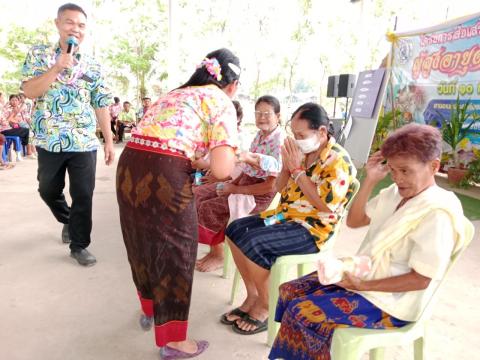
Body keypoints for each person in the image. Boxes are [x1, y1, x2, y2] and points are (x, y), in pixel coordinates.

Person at [269, 123, 469, 360]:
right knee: (289, 290)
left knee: (302, 312)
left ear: (434, 167)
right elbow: (354, 221)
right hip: (366, 277)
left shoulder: (437, 213)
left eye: (405, 171)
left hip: (393, 302)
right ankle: (307, 353)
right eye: (393, 170)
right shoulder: (395, 193)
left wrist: (362, 286)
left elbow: (421, 279)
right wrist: (371, 181)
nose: (398, 178)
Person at [116, 48, 241, 358]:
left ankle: (150, 309)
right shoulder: (220, 100)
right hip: (165, 173)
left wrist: (198, 160)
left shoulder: (174, 94)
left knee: (140, 238)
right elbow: (223, 170)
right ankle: (173, 340)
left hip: (130, 163)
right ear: (233, 85)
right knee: (177, 249)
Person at [223, 102, 357, 335]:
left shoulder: (338, 160)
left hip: (313, 228)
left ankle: (266, 305)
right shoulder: (301, 152)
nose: (297, 139)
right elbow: (279, 188)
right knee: (235, 230)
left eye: (301, 135)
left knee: (254, 242)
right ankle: (253, 296)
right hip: (284, 217)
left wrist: (297, 171)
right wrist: (287, 167)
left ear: (322, 132)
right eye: (294, 134)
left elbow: (325, 206)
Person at [21, 3, 114, 267]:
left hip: (83, 140)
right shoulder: (38, 55)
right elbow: (29, 91)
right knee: (48, 189)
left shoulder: (93, 64)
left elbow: (101, 102)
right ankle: (68, 218)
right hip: (49, 138)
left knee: (84, 193)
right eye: (70, 22)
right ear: (58, 24)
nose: (76, 29)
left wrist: (108, 140)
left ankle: (79, 244)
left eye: (81, 25)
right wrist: (56, 68)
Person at [194, 95, 283, 272]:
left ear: (278, 116)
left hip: (257, 195)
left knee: (209, 207)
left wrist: (234, 188)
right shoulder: (259, 135)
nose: (262, 117)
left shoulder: (280, 141)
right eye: (258, 113)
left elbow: (270, 186)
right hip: (241, 181)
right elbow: (244, 167)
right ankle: (214, 250)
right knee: (197, 195)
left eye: (267, 113)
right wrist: (229, 183)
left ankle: (219, 255)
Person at [3, 94, 37, 158]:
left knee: (31, 129)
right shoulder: (7, 109)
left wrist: (31, 123)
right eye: (12, 100)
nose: (14, 102)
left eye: (16, 100)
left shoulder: (21, 109)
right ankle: (29, 152)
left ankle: (32, 151)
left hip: (21, 125)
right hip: (12, 127)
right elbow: (8, 121)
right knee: (27, 130)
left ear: (18, 101)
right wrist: (15, 116)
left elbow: (26, 117)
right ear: (9, 101)